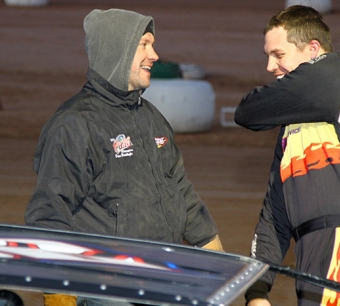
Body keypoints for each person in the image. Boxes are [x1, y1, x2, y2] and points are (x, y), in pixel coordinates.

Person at [24, 8, 223, 306]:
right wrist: (58, 294)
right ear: (116, 50)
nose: (155, 55)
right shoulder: (74, 124)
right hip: (105, 284)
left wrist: (218, 259)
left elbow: (180, 191)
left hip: (160, 276)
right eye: (144, 45)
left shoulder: (151, 118)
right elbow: (49, 214)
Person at [234, 5, 340, 306]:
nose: (270, 67)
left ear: (313, 49)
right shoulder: (292, 131)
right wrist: (257, 291)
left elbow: (248, 111)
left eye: (279, 54)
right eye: (267, 56)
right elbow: (274, 216)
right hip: (317, 248)